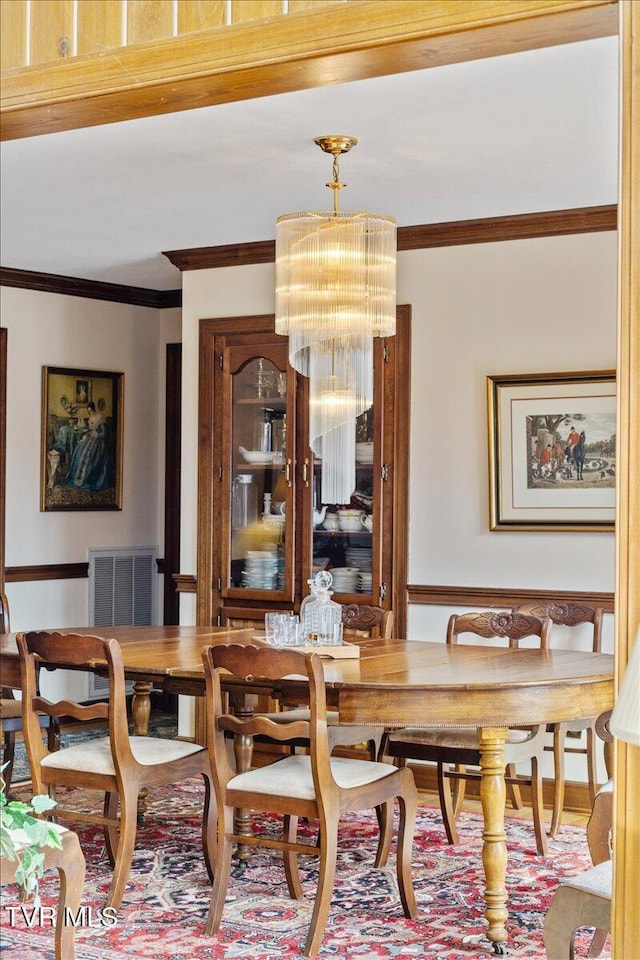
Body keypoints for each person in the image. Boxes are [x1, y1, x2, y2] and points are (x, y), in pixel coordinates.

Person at [66, 402, 111, 491]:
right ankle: (75, 476)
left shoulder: (99, 417)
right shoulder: (90, 418)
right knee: (79, 447)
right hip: (90, 437)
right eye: (88, 410)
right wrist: (88, 433)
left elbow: (104, 433)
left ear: (93, 409)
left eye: (91, 410)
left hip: (98, 441)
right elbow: (90, 429)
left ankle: (86, 479)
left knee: (90, 454)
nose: (90, 412)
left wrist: (97, 434)